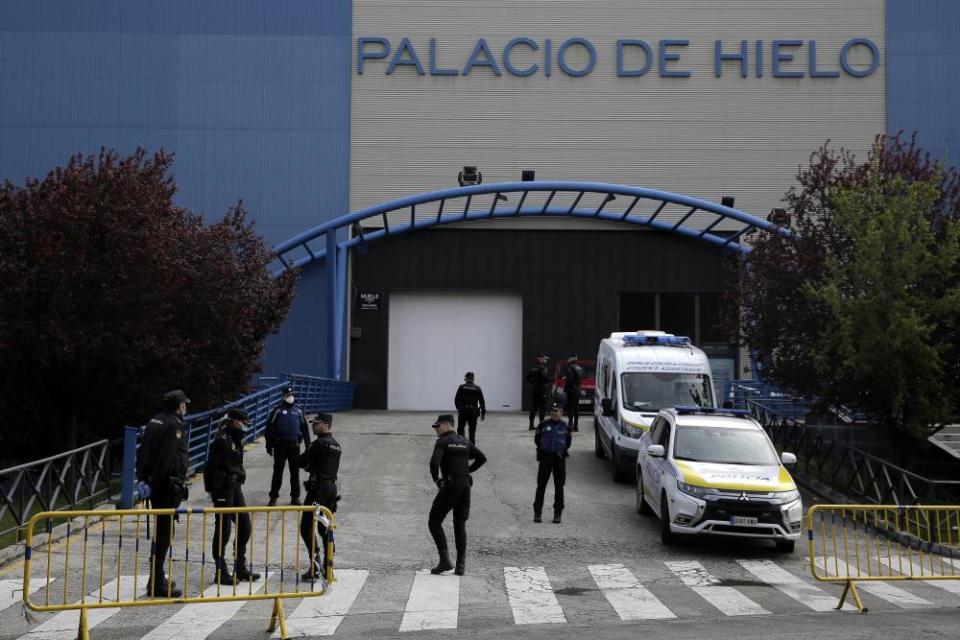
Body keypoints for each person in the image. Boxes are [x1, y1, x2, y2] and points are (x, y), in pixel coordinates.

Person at [136, 389, 191, 598]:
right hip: (166, 487)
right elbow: (167, 458)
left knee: (161, 531)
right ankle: (157, 583)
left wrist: (143, 479)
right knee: (165, 533)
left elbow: (143, 452)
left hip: (154, 485)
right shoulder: (174, 425)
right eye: (184, 404)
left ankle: (156, 577)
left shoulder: (154, 421)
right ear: (179, 405)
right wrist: (155, 482)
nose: (186, 407)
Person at [203, 408, 261, 586]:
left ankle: (240, 567)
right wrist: (211, 490)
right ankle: (221, 571)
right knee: (223, 529)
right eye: (243, 422)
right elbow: (209, 466)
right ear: (235, 421)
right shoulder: (221, 439)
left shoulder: (235, 438)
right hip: (223, 489)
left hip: (235, 487)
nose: (245, 426)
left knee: (245, 525)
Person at [428, 414, 486, 576]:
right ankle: (461, 565)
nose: (436, 430)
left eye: (438, 426)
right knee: (459, 523)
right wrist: (468, 471)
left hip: (451, 486)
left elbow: (434, 463)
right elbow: (482, 458)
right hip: (465, 485)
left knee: (434, 521)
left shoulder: (442, 442)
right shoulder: (464, 441)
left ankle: (445, 560)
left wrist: (436, 480)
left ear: (447, 425)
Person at [298, 412, 342, 581]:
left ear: (326, 425)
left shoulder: (319, 443)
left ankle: (315, 565)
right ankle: (328, 566)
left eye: (316, 423)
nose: (313, 426)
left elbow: (301, 461)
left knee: (306, 527)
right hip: (331, 488)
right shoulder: (336, 445)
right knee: (326, 528)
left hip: (318, 489)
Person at [265, 385, 311, 506]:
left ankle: (295, 497)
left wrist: (308, 445)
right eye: (287, 395)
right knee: (278, 472)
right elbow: (269, 428)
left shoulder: (298, 410)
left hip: (294, 445)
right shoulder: (278, 410)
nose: (290, 397)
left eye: (291, 394)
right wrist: (268, 445)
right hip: (280, 445)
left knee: (295, 472)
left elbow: (305, 428)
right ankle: (273, 497)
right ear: (283, 396)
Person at [533, 402, 572, 524]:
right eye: (553, 411)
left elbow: (568, 443)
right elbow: (537, 440)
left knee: (559, 487)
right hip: (545, 458)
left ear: (561, 413)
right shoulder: (543, 425)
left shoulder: (565, 427)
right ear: (550, 412)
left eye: (558, 411)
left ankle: (558, 513)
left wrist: (559, 450)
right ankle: (537, 513)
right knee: (541, 486)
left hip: (559, 459)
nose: (555, 413)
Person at [454, 372, 486, 444]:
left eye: (465, 377)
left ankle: (461, 445)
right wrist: (483, 413)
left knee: (461, 429)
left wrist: (458, 408)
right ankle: (472, 448)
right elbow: (482, 401)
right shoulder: (477, 388)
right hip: (473, 412)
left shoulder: (462, 387)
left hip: (463, 411)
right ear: (473, 379)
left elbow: (456, 399)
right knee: (472, 431)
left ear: (466, 378)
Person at [525, 354, 551, 430]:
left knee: (534, 408)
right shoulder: (543, 368)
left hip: (535, 390)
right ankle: (541, 426)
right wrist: (552, 379)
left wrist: (535, 382)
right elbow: (544, 378)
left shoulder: (533, 368)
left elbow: (527, 378)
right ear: (541, 359)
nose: (546, 361)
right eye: (545, 359)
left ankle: (531, 425)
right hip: (543, 390)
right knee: (543, 408)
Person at [563, 355, 584, 432]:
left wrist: (566, 388)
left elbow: (569, 380)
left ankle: (570, 424)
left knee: (570, 408)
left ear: (570, 360)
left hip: (571, 390)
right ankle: (576, 426)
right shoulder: (579, 368)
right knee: (576, 408)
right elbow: (581, 377)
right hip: (578, 389)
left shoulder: (570, 368)